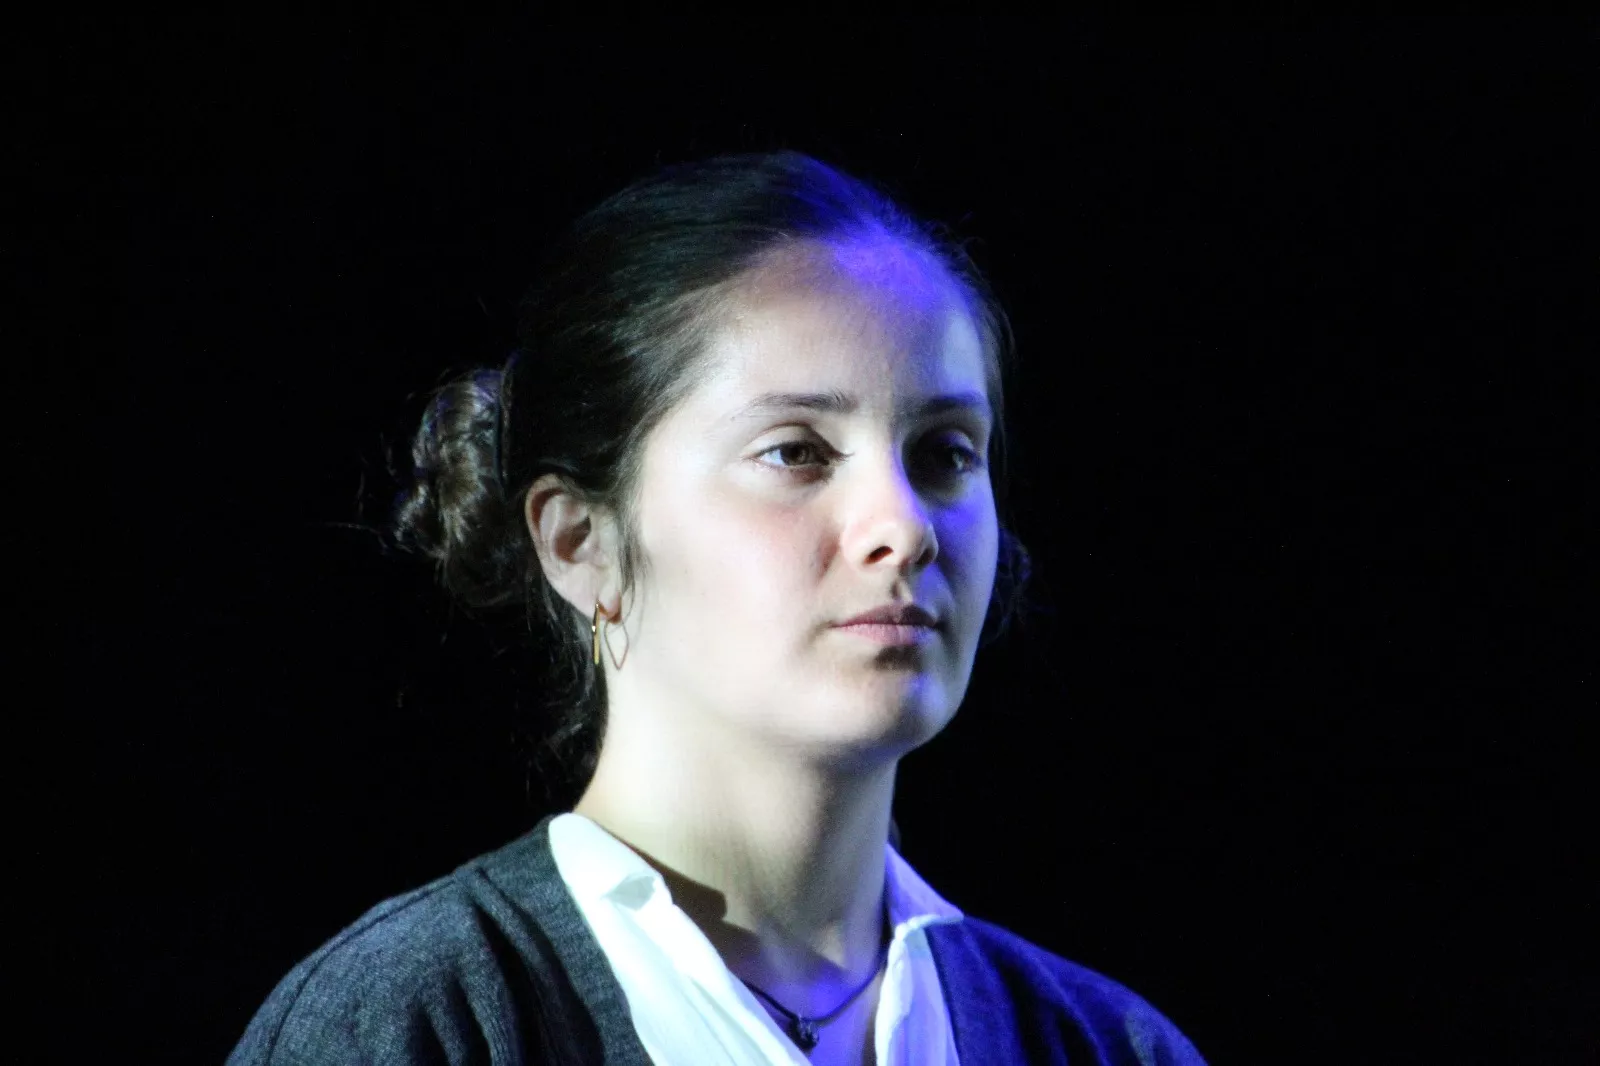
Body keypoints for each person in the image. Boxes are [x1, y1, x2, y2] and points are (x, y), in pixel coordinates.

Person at [226, 151, 1207, 1065]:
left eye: (945, 453)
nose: (903, 527)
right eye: (795, 452)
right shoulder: (414, 1019)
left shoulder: (1103, 1042)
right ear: (581, 543)